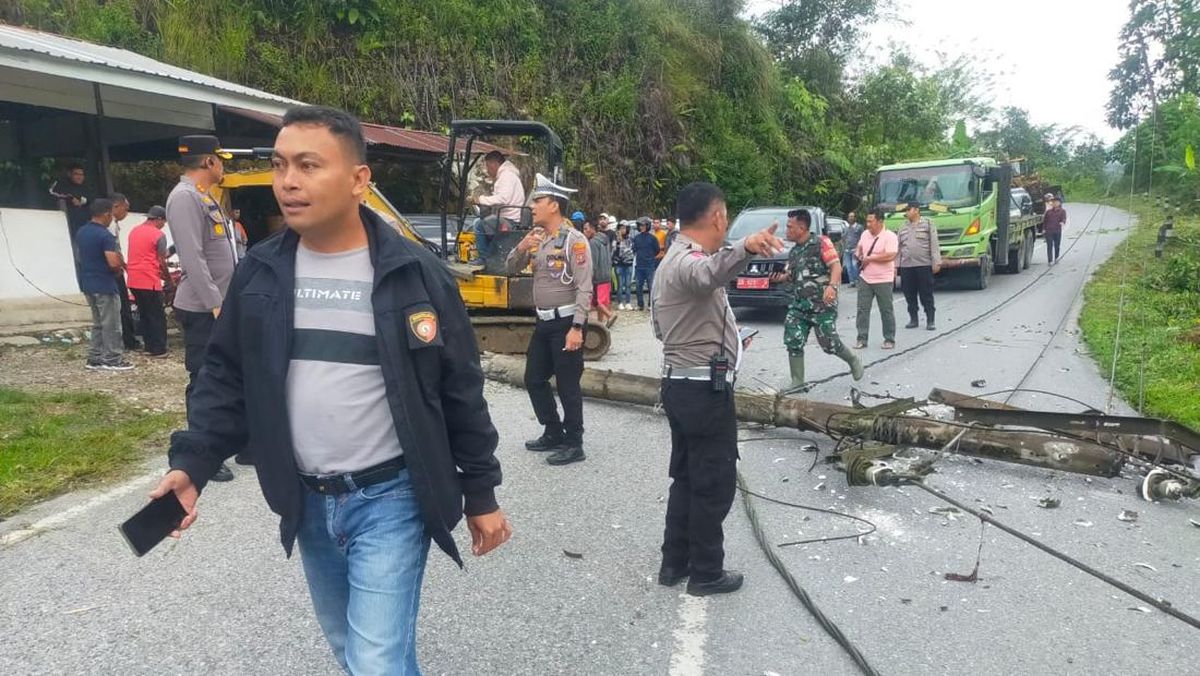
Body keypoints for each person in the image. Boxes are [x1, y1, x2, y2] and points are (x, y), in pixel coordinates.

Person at [150, 106, 510, 674]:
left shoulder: (417, 276)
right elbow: (226, 377)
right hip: (307, 502)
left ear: (359, 181)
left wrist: (482, 494)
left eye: (309, 166)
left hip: (392, 499)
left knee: (373, 659)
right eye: (280, 165)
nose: (288, 182)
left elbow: (460, 390)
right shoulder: (261, 274)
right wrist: (192, 464)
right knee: (355, 650)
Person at [651, 181, 784, 596]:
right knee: (714, 483)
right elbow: (707, 275)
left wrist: (721, 341)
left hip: (683, 386)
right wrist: (746, 246)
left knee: (689, 479)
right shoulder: (688, 262)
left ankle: (675, 563)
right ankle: (706, 572)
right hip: (701, 394)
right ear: (718, 217)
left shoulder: (669, 260)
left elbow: (663, 327)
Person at [166, 134, 239, 483]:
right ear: (209, 162)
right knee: (204, 378)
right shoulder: (183, 198)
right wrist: (214, 304)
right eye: (220, 160)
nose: (223, 166)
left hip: (221, 304)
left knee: (231, 372)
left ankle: (240, 439)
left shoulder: (203, 196)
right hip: (203, 308)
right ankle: (201, 453)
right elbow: (192, 258)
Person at [505, 174, 592, 466]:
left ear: (554, 205)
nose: (532, 207)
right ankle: (553, 430)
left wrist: (578, 327)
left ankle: (574, 442)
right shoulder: (539, 240)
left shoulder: (574, 241)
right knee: (533, 378)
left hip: (567, 322)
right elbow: (508, 269)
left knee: (568, 385)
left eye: (538, 201)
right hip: (543, 323)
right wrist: (522, 246)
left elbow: (584, 286)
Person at [772, 209, 863, 393]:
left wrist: (833, 287)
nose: (786, 230)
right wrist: (780, 278)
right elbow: (792, 275)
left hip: (822, 306)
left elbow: (836, 266)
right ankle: (797, 381)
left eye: (790, 227)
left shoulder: (821, 242)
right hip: (799, 306)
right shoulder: (795, 251)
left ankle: (853, 359)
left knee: (829, 344)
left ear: (802, 227)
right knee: (793, 339)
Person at [75, 198, 133, 371]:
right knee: (112, 323)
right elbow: (113, 261)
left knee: (98, 322)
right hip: (105, 284)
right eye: (111, 216)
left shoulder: (82, 232)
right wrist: (119, 270)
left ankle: (95, 357)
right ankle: (113, 358)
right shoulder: (105, 235)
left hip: (87, 282)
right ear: (107, 214)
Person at [125, 206, 173, 357]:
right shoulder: (159, 235)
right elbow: (161, 260)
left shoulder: (134, 231)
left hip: (133, 279)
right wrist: (168, 278)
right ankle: (159, 349)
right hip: (149, 279)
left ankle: (149, 346)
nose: (163, 225)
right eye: (163, 221)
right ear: (158, 219)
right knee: (157, 315)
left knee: (144, 313)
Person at [853, 208, 899, 350]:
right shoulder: (865, 234)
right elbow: (859, 248)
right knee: (862, 310)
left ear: (879, 221)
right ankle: (861, 338)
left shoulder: (890, 236)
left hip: (883, 278)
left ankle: (889, 338)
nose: (868, 224)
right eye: (867, 221)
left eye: (870, 221)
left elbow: (891, 255)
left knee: (886, 310)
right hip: (865, 277)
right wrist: (858, 254)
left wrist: (871, 258)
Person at [469, 150, 525, 265]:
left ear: (494, 164)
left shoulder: (506, 176)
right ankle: (491, 256)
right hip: (507, 217)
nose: (488, 171)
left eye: (488, 167)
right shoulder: (507, 175)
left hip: (510, 220)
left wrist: (480, 199)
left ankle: (484, 258)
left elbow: (503, 198)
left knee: (478, 224)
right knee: (484, 222)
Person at [897, 201, 941, 331]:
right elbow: (898, 247)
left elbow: (934, 244)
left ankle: (930, 319)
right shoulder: (903, 227)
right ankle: (913, 318)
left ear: (916, 210)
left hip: (923, 264)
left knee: (926, 293)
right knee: (909, 293)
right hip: (906, 266)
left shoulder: (927, 223)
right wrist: (895, 266)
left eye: (908, 210)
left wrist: (936, 261)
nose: (906, 212)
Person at [109, 194, 142, 351]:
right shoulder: (109, 224)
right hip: (114, 270)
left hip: (115, 268)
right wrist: (122, 266)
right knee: (122, 307)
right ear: (116, 206)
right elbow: (114, 250)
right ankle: (128, 340)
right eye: (125, 209)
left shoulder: (112, 223)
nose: (126, 213)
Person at [584, 221, 616, 327]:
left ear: (593, 229)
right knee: (603, 300)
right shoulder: (605, 239)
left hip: (598, 277)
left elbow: (593, 262)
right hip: (606, 274)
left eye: (586, 229)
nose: (585, 232)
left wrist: (589, 277)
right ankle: (600, 322)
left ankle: (609, 315)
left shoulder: (593, 242)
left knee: (596, 301)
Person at [48, 163, 91, 242]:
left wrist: (82, 202)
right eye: (76, 174)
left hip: (84, 225)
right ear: (69, 174)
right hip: (67, 224)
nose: (79, 177)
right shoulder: (62, 185)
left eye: (81, 175)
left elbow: (91, 200)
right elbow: (52, 193)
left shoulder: (87, 188)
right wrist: (70, 199)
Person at [632, 217, 660, 310]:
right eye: (640, 225)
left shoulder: (653, 238)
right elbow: (634, 250)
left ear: (647, 226)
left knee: (651, 286)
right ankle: (640, 305)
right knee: (638, 286)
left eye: (644, 225)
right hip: (639, 266)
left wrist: (650, 257)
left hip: (649, 266)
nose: (642, 227)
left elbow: (657, 250)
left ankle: (650, 304)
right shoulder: (636, 238)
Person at [613, 223, 635, 310]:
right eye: (621, 228)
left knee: (628, 284)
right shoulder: (616, 240)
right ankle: (620, 302)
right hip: (619, 265)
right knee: (620, 285)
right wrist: (618, 242)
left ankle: (628, 302)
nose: (623, 230)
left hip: (628, 264)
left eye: (625, 228)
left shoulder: (630, 239)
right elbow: (614, 251)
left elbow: (632, 250)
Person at [1043, 194, 1066, 265]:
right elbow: (1045, 221)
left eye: (1056, 202)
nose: (1054, 203)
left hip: (1057, 230)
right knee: (1049, 245)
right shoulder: (1048, 212)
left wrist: (1062, 222)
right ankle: (1050, 260)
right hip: (1049, 231)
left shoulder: (1062, 211)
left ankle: (1056, 257)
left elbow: (1064, 218)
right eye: (1053, 202)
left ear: (1059, 203)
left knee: (1057, 245)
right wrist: (1044, 229)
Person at [842, 211, 864, 286]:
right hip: (847, 250)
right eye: (849, 216)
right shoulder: (846, 228)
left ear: (855, 218)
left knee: (855, 266)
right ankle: (851, 281)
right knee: (848, 267)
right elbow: (843, 238)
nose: (850, 218)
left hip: (855, 250)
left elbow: (863, 238)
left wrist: (861, 249)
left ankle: (857, 280)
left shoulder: (859, 227)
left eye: (852, 216)